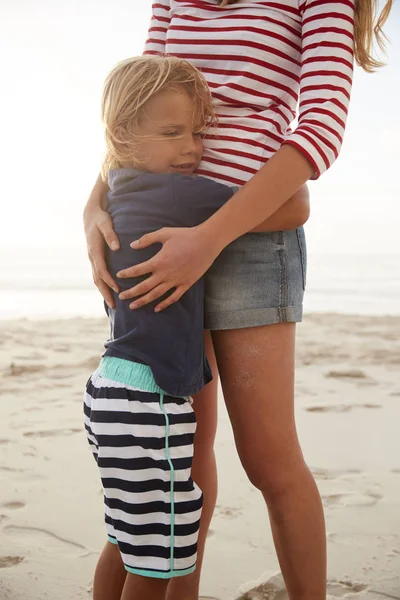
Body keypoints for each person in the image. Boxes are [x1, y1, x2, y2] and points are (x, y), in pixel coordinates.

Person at [83, 2, 393, 599]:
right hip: (158, 234)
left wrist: (208, 237)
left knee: (268, 458)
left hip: (252, 239)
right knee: (180, 454)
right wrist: (95, 203)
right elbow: (136, 103)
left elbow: (322, 125)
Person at [84, 55, 246, 600]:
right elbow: (291, 208)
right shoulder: (177, 194)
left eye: (198, 133)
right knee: (160, 563)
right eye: (172, 133)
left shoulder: (121, 191)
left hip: (109, 388)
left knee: (126, 537)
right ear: (124, 137)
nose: (191, 149)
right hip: (148, 403)